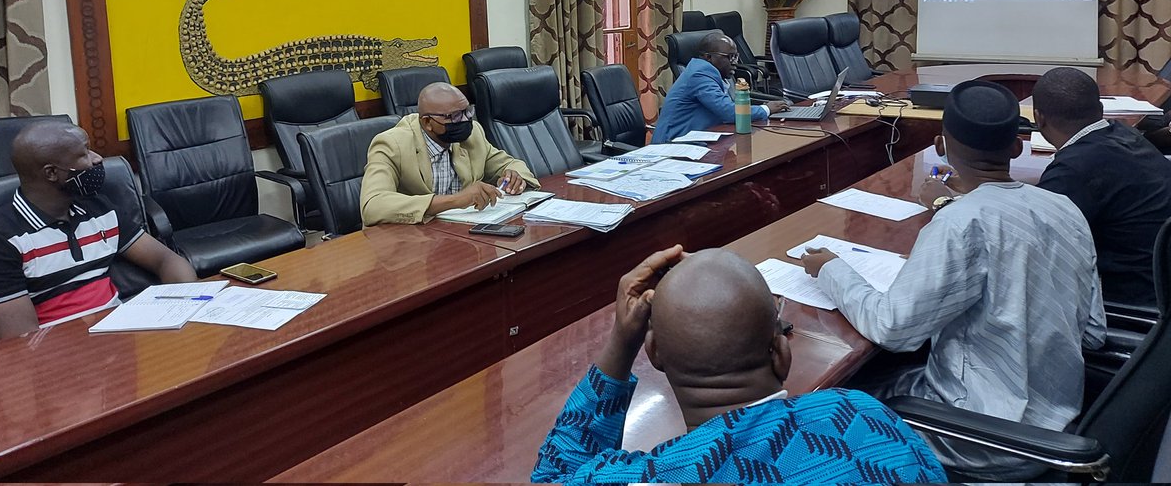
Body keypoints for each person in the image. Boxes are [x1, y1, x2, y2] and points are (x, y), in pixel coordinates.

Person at [802, 80, 1105, 478]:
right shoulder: (1064, 208)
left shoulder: (962, 223)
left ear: (940, 146)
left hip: (981, 437)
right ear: (1017, 147)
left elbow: (893, 328)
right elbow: (1095, 332)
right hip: (1060, 419)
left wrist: (831, 269)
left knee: (836, 397)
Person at [532, 246, 946, 485]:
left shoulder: (651, 476)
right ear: (782, 354)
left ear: (656, 356)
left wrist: (622, 344)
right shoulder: (863, 416)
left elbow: (554, 473)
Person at [0, 121, 197, 341]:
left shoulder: (99, 208)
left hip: (122, 339)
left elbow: (166, 260)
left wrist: (187, 307)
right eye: (85, 153)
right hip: (60, 359)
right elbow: (21, 341)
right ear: (51, 173)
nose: (98, 159)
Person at [1027, 67, 1171, 307]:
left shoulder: (1074, 170)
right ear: (1101, 110)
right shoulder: (1125, 134)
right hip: (1158, 293)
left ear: (1038, 118)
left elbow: (1031, 246)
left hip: (1130, 307)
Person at [359, 81, 539, 225]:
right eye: (453, 116)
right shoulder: (391, 144)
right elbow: (373, 205)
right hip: (408, 245)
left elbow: (509, 164)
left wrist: (514, 178)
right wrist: (455, 200)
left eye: (467, 112)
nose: (466, 120)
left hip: (459, 234)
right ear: (428, 122)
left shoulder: (472, 133)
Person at [652, 33, 784, 143]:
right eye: (730, 57)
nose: (735, 62)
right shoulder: (699, 74)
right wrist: (766, 109)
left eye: (736, 56)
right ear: (709, 57)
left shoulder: (709, 72)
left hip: (697, 139)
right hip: (673, 146)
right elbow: (728, 111)